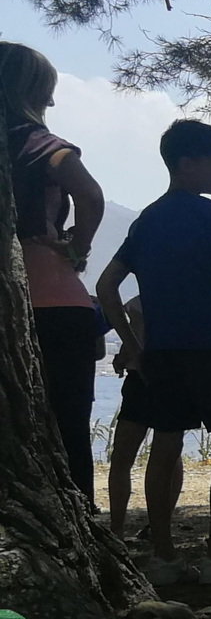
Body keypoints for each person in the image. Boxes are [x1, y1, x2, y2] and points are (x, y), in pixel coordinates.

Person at [95, 120, 211, 585]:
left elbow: (107, 285)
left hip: (162, 351)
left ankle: (164, 558)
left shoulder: (146, 218)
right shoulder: (207, 215)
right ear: (188, 164)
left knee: (166, 443)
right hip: (209, 346)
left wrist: (132, 343)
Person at [3, 42, 106, 500]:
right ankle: (79, 523)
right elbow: (91, 195)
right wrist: (77, 248)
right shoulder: (41, 143)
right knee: (68, 431)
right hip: (55, 301)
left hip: (12, 305)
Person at [105, 296, 148, 537]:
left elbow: (135, 335)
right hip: (173, 373)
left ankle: (117, 527)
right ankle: (160, 522)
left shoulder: (138, 303)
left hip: (139, 379)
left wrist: (123, 357)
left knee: (122, 457)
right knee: (169, 451)